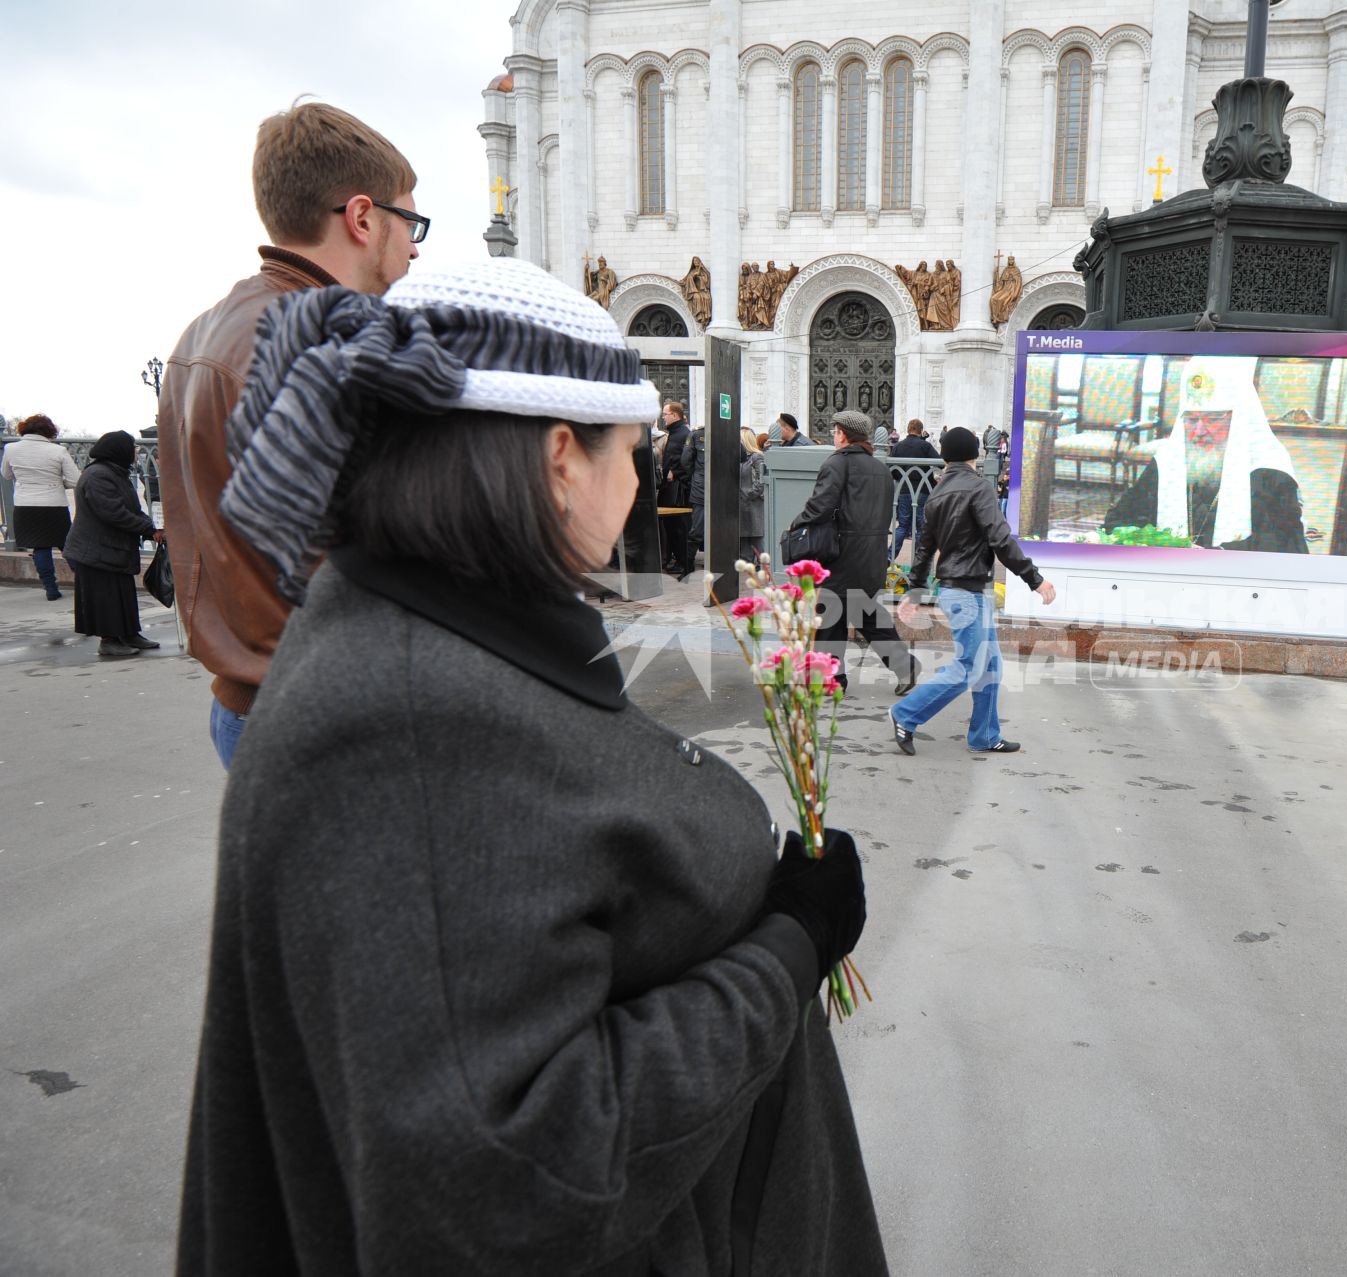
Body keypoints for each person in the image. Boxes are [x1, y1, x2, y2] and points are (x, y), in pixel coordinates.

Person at [177, 257, 884, 1275]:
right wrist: (789, 944)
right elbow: (511, 1178)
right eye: (631, 451)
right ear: (562, 456)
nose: (640, 481)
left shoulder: (440, 643)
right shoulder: (404, 730)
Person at [155, 100, 420, 768]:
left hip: (251, 700)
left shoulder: (204, 330)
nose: (415, 244)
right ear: (363, 217)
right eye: (409, 220)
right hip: (335, 719)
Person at [892, 427, 1056, 756]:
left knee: (991, 665)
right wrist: (1034, 579)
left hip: (957, 591)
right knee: (970, 666)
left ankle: (984, 734)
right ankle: (906, 714)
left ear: (946, 457)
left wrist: (914, 592)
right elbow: (999, 537)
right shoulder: (979, 488)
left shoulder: (937, 494)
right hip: (968, 593)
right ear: (974, 455)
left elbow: (924, 549)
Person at [1100, 356, 1305, 549]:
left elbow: (1284, 547)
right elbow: (1116, 521)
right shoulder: (1166, 464)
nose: (1198, 431)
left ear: (1238, 420)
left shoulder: (1270, 473)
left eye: (1212, 419)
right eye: (1191, 419)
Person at [790, 409, 915, 694]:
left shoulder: (836, 464)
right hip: (871, 556)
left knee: (830, 617)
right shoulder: (881, 468)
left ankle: (831, 681)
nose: (833, 436)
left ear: (844, 435)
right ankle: (905, 667)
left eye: (835, 431)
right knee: (867, 614)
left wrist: (797, 523)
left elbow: (820, 506)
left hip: (841, 555)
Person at [62, 431, 163, 659]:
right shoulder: (98, 476)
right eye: (132, 450)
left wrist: (151, 525)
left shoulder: (114, 473)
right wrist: (148, 529)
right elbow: (114, 512)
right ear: (119, 451)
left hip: (110, 548)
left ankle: (129, 634)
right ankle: (109, 641)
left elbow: (132, 509)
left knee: (122, 594)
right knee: (106, 597)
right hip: (96, 550)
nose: (136, 454)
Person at [2, 414, 81, 600]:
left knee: (40, 548)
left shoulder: (10, 448)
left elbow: (6, 474)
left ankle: (50, 588)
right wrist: (57, 482)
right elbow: (75, 480)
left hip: (25, 505)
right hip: (54, 504)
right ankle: (84, 581)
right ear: (49, 431)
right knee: (66, 546)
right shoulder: (57, 451)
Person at [888, 418, 939, 558]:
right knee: (920, 528)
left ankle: (890, 556)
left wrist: (901, 477)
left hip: (904, 489)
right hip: (922, 489)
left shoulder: (898, 446)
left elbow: (892, 469)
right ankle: (918, 560)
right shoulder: (924, 446)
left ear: (908, 429)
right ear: (920, 430)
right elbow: (940, 462)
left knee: (903, 526)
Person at [657, 401, 693, 576]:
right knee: (671, 527)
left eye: (665, 414)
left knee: (679, 527)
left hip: (677, 489)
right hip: (669, 486)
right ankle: (679, 560)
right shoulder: (675, 432)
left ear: (675, 415)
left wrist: (675, 473)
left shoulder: (683, 433)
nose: (663, 417)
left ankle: (684, 562)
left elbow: (684, 460)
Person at [681, 419, 708, 564]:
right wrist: (697, 477)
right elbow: (685, 461)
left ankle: (689, 565)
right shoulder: (696, 435)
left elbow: (740, 455)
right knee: (697, 529)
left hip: (720, 490)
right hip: (701, 489)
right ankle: (688, 564)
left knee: (698, 529)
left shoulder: (731, 436)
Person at [738, 425, 767, 562]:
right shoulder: (740, 458)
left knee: (758, 541)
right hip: (742, 505)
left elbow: (761, 482)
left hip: (753, 505)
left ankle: (766, 570)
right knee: (744, 542)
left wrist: (749, 494)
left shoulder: (756, 457)